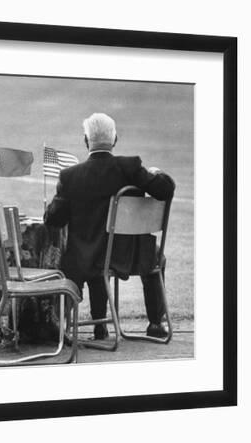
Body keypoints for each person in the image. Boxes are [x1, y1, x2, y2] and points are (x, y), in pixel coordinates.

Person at [43, 113, 175, 339]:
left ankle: (98, 325)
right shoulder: (130, 167)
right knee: (155, 257)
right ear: (115, 140)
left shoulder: (70, 176)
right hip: (130, 255)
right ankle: (155, 323)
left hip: (87, 259)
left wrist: (53, 204)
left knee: (87, 258)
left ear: (86, 141)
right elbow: (165, 190)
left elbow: (54, 220)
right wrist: (157, 173)